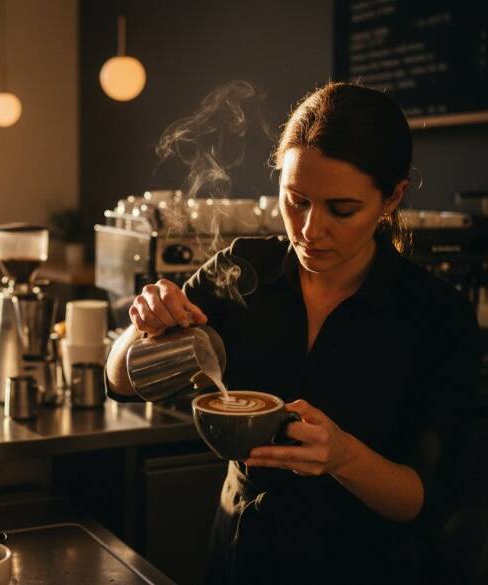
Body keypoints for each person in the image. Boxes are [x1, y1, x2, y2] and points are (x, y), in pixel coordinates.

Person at [105, 83, 479, 584]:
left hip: (365, 567)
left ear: (392, 198)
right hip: (241, 554)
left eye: (341, 210)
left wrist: (344, 457)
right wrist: (142, 325)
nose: (309, 229)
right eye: (296, 200)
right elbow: (122, 382)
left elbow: (426, 502)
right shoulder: (244, 269)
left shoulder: (436, 316)